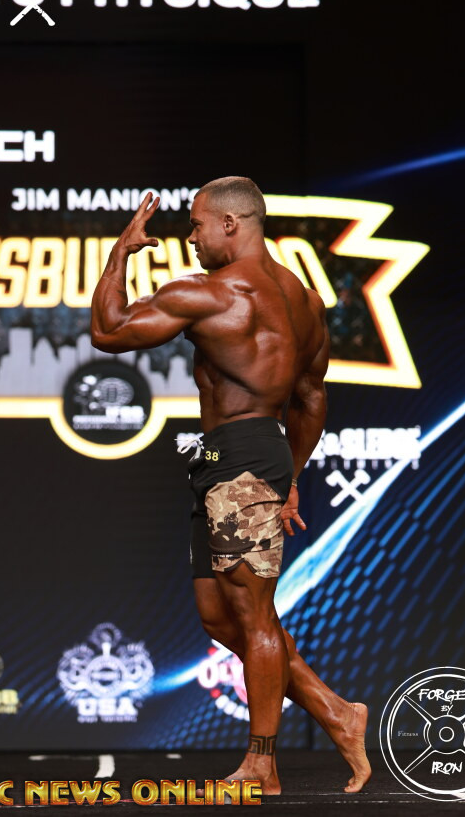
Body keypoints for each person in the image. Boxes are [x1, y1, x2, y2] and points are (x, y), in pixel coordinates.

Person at [91, 177, 371, 795]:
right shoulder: (303, 301)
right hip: (236, 458)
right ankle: (337, 713)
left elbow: (108, 331)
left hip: (241, 457)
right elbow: (311, 398)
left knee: (255, 614)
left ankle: (262, 764)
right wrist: (289, 474)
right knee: (220, 618)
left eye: (196, 225)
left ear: (230, 224)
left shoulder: (211, 292)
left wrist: (120, 254)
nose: (190, 238)